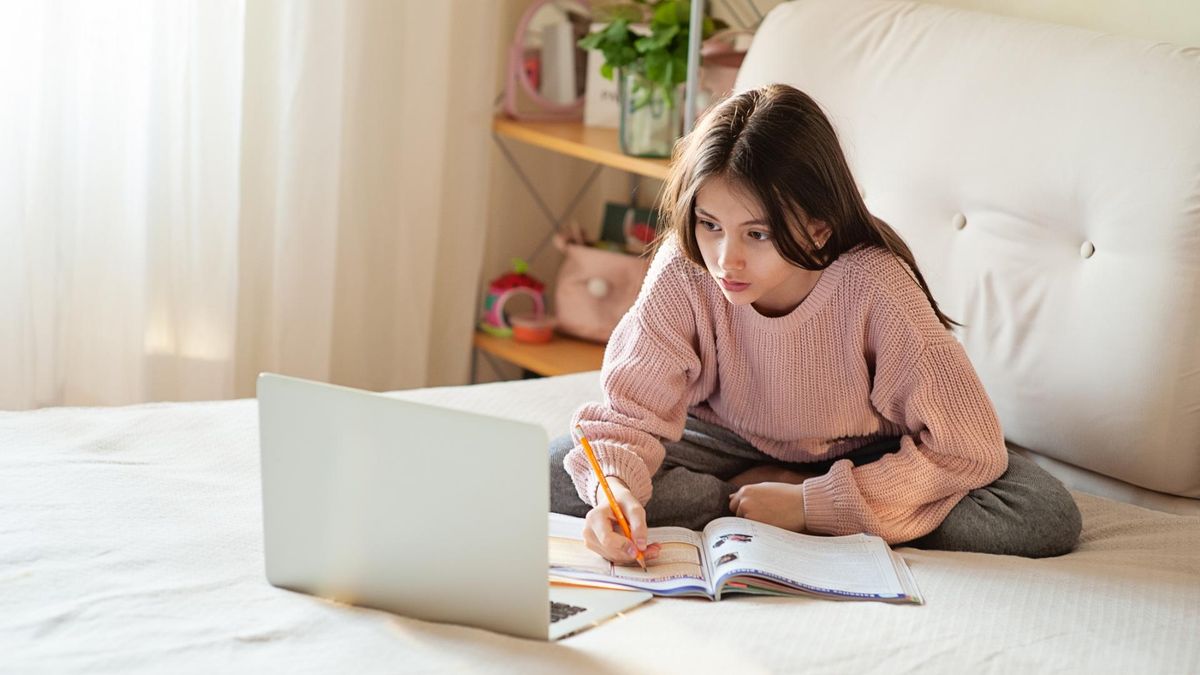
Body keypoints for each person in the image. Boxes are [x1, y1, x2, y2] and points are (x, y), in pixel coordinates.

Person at [548, 84, 1082, 565]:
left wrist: (813, 503)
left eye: (757, 234)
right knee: (556, 470)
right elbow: (629, 418)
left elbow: (968, 447)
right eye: (710, 225)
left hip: (866, 451)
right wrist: (616, 492)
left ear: (819, 229)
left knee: (1039, 514)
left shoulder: (875, 286)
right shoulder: (685, 268)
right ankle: (750, 494)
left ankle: (793, 499)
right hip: (724, 441)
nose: (724, 259)